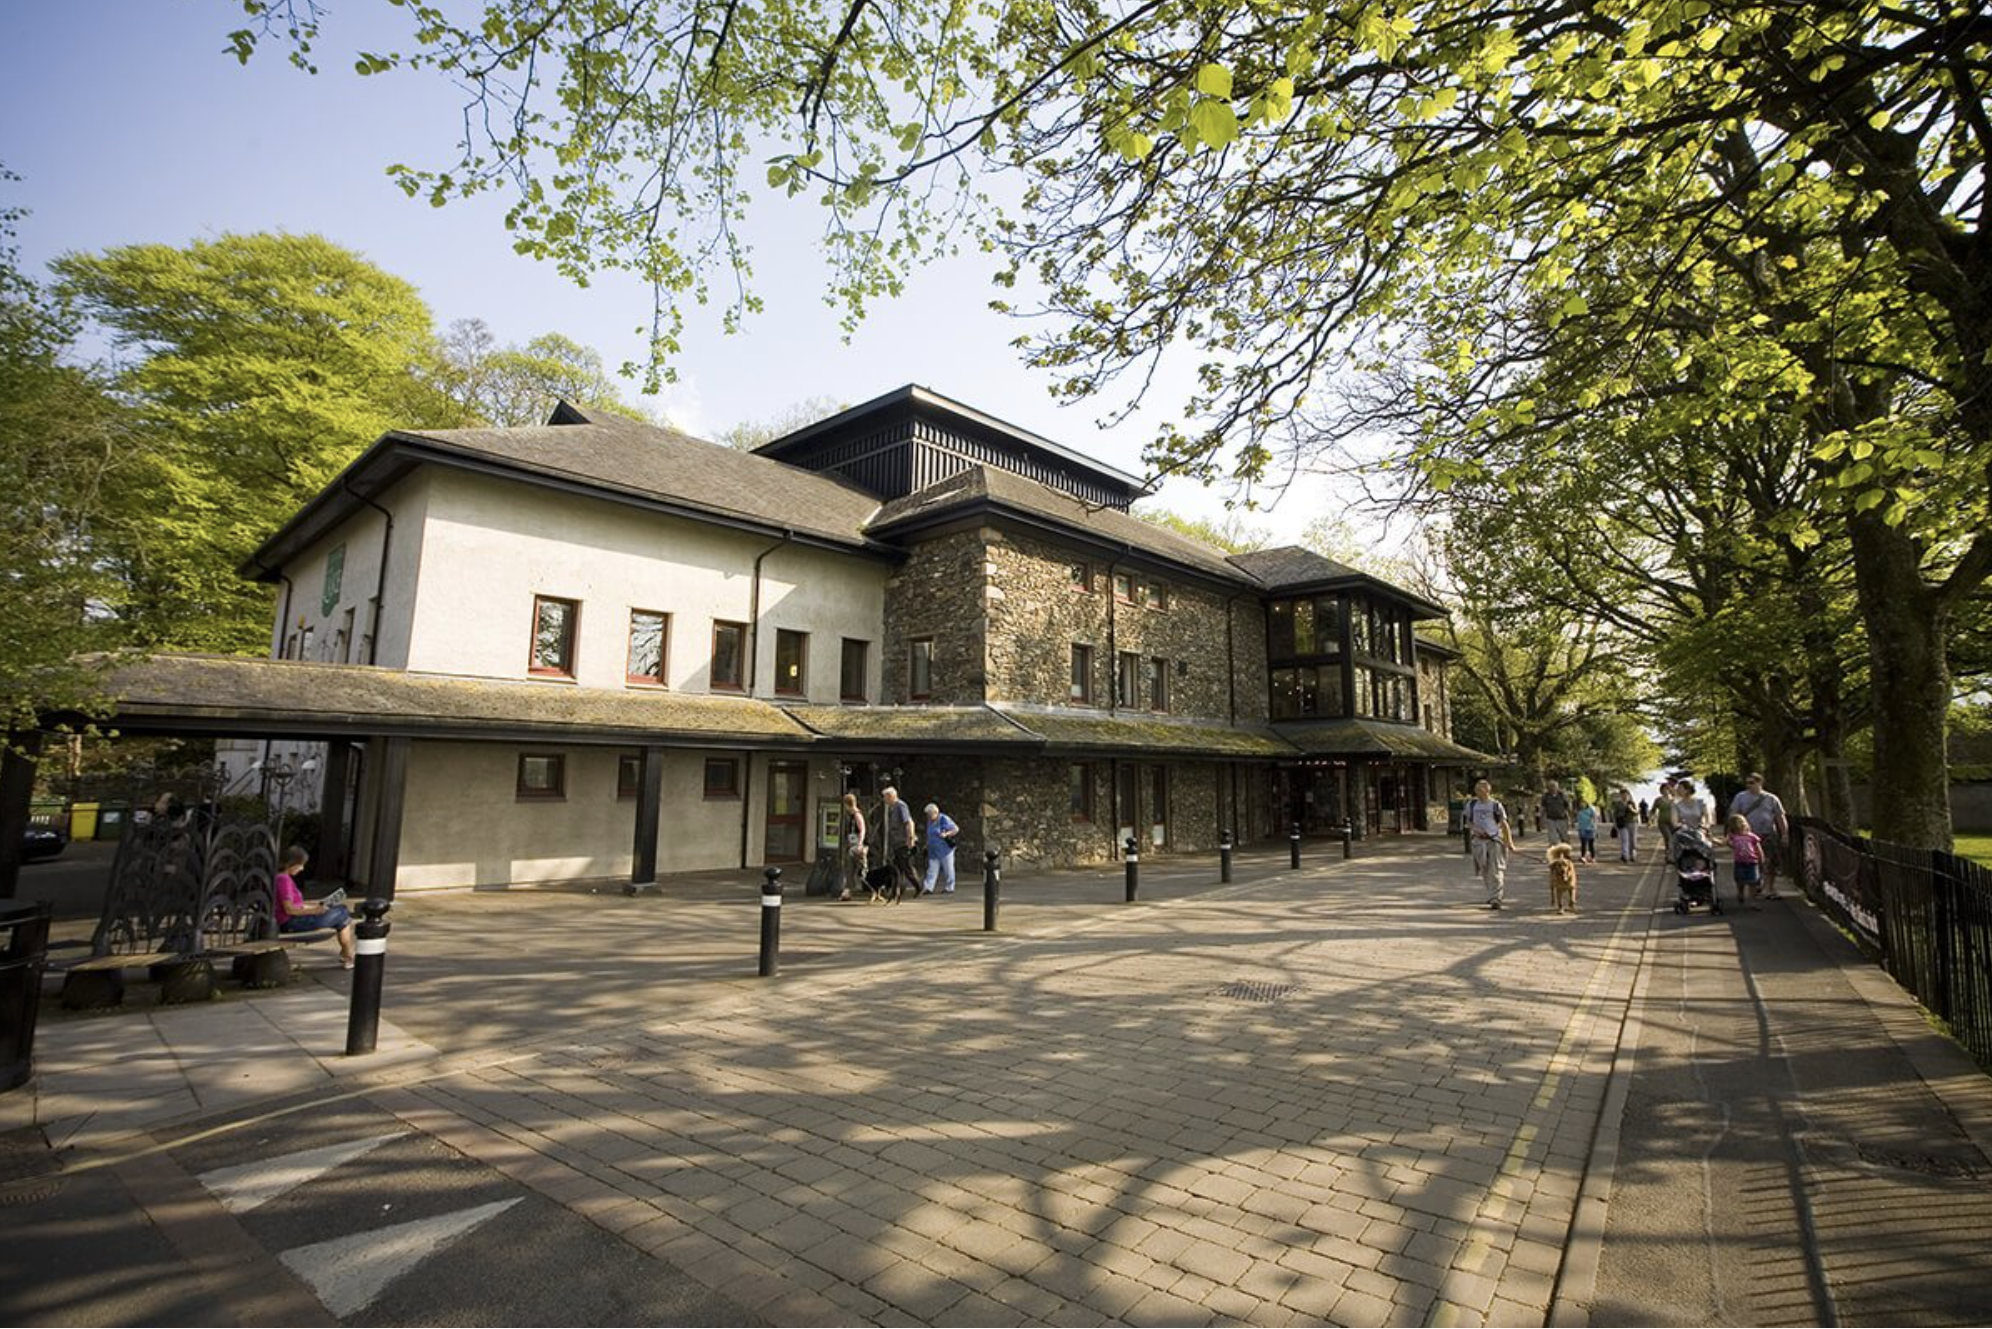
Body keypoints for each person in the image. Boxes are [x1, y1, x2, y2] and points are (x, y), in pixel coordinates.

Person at [273, 845, 356, 969]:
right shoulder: (283, 880)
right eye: (300, 865)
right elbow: (289, 909)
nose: (302, 868)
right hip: (292, 922)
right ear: (291, 863)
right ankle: (347, 955)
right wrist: (315, 911)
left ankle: (347, 955)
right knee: (343, 912)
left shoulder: (281, 878)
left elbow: (297, 905)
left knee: (342, 916)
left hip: (293, 919)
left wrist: (316, 906)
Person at [1727, 773, 1791, 900]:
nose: (1749, 785)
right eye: (1747, 783)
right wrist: (1731, 833)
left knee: (1769, 862)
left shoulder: (1772, 798)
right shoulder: (1740, 797)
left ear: (1760, 783)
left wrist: (1784, 834)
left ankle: (1768, 889)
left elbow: (1780, 817)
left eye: (1752, 782)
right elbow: (1733, 815)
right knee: (1751, 862)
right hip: (1747, 837)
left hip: (1767, 834)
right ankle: (1755, 886)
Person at [1465, 779, 1517, 909]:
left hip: (1494, 840)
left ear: (1487, 790)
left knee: (1495, 869)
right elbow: (1468, 822)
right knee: (1484, 868)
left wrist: (1509, 842)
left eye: (1480, 789)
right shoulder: (1471, 805)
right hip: (1478, 841)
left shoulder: (1496, 805)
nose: (1477, 791)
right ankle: (1491, 893)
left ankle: (1496, 898)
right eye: (1476, 789)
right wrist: (1475, 830)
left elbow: (1504, 824)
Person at [881, 786, 919, 896]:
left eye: (885, 797)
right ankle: (897, 891)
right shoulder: (892, 808)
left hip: (903, 842)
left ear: (890, 796)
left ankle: (918, 886)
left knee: (906, 868)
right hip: (897, 843)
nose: (884, 800)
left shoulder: (901, 806)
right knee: (897, 868)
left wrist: (910, 839)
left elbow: (909, 823)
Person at [1726, 812, 1766, 908]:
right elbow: (1730, 844)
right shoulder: (1733, 837)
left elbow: (1758, 848)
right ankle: (1740, 893)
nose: (1742, 824)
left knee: (1753, 882)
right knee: (1740, 880)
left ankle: (1753, 901)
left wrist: (1761, 859)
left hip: (1752, 862)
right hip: (1740, 862)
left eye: (1743, 822)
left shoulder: (1752, 836)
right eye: (1739, 823)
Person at [921, 802, 960, 894]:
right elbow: (929, 834)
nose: (928, 817)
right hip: (933, 850)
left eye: (929, 814)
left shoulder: (944, 818)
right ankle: (928, 888)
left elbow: (956, 829)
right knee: (931, 870)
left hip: (945, 850)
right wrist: (927, 844)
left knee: (948, 869)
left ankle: (949, 887)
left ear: (935, 812)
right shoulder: (929, 821)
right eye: (927, 815)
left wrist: (946, 834)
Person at [836, 791, 867, 902]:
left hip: (856, 845)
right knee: (850, 868)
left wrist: (860, 844)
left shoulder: (857, 815)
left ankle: (850, 889)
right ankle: (848, 890)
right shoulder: (851, 815)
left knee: (858, 867)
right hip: (851, 844)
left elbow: (862, 829)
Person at [1540, 780, 1573, 847]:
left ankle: (1566, 852)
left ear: (1557, 787)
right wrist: (1542, 819)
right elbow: (1543, 808)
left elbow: (1568, 807)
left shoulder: (1562, 795)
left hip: (1562, 819)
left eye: (1554, 786)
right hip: (1550, 819)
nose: (1553, 788)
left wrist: (1570, 819)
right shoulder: (1546, 796)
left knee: (1564, 838)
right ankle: (1554, 854)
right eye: (1550, 787)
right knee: (1553, 839)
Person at [1651, 781, 1677, 860]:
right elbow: (1653, 810)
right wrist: (1650, 820)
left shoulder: (1674, 799)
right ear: (1661, 790)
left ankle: (1670, 855)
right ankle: (1669, 856)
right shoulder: (1658, 800)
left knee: (1673, 839)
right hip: (1662, 822)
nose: (1666, 791)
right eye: (1664, 789)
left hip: (1673, 822)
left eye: (1668, 789)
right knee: (1668, 837)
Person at [1611, 787, 1637, 862]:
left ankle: (1632, 854)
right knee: (1624, 840)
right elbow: (1615, 814)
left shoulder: (1631, 803)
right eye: (1622, 794)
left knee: (1632, 840)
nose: (1624, 796)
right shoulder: (1618, 804)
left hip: (1632, 823)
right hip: (1622, 823)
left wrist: (1632, 809)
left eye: (1626, 794)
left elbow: (1636, 813)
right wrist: (1614, 824)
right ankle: (1625, 856)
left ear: (1628, 795)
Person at [1574, 799, 1598, 864]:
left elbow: (1595, 817)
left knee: (1591, 844)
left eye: (1583, 803)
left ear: (1586, 804)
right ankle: (1583, 856)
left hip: (1590, 828)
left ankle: (1593, 857)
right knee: (1583, 844)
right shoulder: (1578, 811)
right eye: (1580, 804)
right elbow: (1576, 818)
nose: (1582, 805)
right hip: (1582, 829)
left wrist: (1595, 826)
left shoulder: (1590, 810)